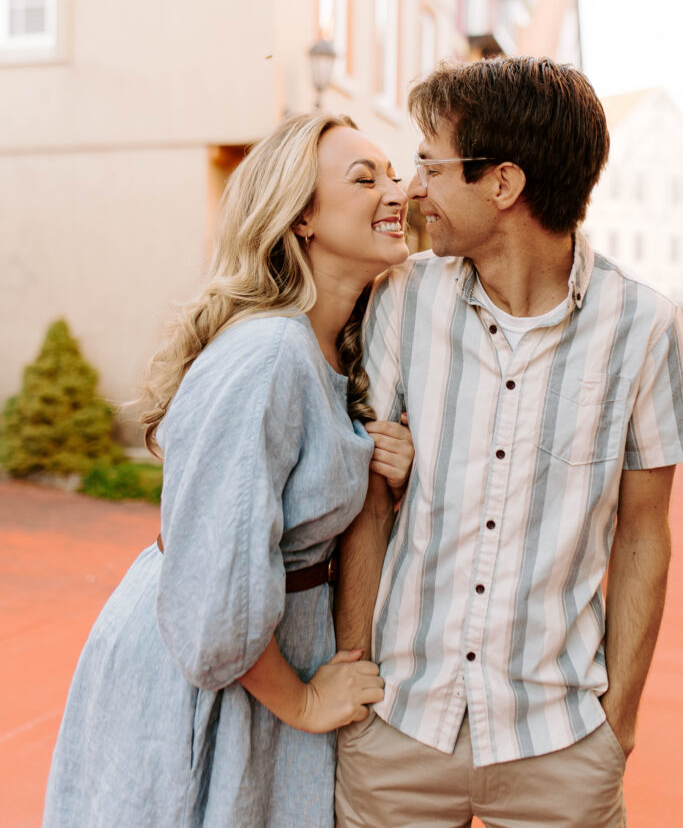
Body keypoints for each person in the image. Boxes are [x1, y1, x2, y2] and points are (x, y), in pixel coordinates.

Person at [335, 57, 683, 828]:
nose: (414, 188)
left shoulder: (644, 327)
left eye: (429, 165)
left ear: (502, 184)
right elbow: (370, 502)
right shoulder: (401, 298)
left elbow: (643, 534)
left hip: (559, 741)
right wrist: (355, 671)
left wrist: (616, 723)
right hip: (399, 727)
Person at [42, 112, 415, 828]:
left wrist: (378, 472)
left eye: (393, 173)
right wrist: (304, 701)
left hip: (259, 666)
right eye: (364, 178)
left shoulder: (331, 347)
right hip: (213, 671)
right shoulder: (269, 353)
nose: (395, 191)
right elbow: (214, 597)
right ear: (300, 215)